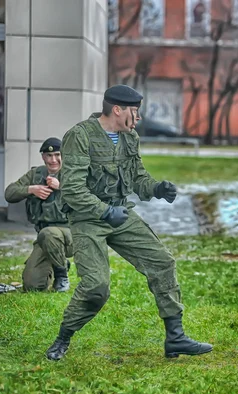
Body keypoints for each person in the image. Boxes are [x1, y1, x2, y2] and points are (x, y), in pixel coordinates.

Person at [45, 84, 212, 361]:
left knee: (162, 262)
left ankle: (176, 337)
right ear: (117, 109)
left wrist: (157, 189)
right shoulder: (81, 136)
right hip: (88, 219)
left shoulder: (129, 137)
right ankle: (63, 338)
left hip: (120, 213)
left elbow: (136, 177)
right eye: (135, 112)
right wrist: (104, 211)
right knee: (96, 287)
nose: (139, 118)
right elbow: (72, 189)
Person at [4, 137, 71, 292]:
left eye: (57, 155)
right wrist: (31, 189)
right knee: (32, 286)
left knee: (49, 234)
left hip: (72, 234)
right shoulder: (36, 174)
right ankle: (58, 262)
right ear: (43, 157)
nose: (53, 159)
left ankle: (61, 276)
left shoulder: (73, 173)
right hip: (44, 237)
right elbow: (9, 193)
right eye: (49, 156)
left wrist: (61, 187)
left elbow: (89, 197)